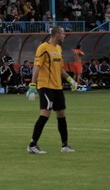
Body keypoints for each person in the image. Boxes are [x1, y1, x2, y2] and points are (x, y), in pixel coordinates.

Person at [26, 26, 77, 155]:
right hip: (45, 86)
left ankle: (65, 145)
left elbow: (59, 68)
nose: (65, 35)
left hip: (57, 87)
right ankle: (32, 145)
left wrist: (70, 79)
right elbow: (37, 67)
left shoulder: (58, 49)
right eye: (63, 33)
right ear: (56, 34)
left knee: (61, 115)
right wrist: (32, 85)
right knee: (45, 114)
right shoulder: (43, 48)